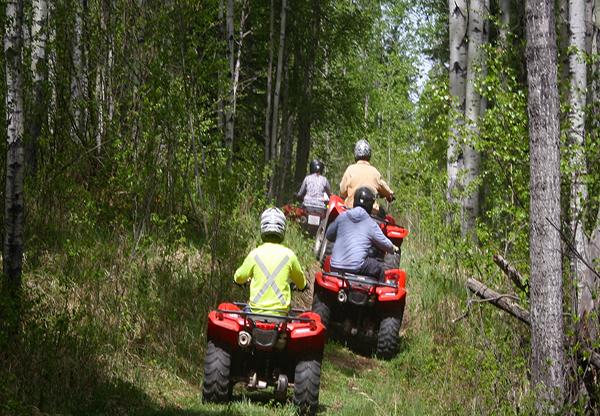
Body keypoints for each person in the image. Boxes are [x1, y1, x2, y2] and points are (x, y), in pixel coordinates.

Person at [234, 207, 307, 315]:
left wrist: (238, 280)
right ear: (283, 229)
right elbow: (301, 284)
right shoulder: (289, 255)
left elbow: (239, 278)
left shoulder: (254, 254)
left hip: (255, 313)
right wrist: (303, 286)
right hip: (281, 315)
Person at [325, 186, 398, 283]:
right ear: (371, 205)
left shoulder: (342, 216)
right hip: (357, 267)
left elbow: (329, 235)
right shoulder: (370, 223)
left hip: (335, 266)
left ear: (355, 201)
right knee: (379, 268)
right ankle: (374, 297)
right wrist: (393, 249)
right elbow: (385, 244)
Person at [339, 140, 395, 215]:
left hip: (351, 210)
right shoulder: (375, 172)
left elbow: (343, 192)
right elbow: (385, 190)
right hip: (371, 213)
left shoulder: (350, 170)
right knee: (385, 218)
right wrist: (390, 195)